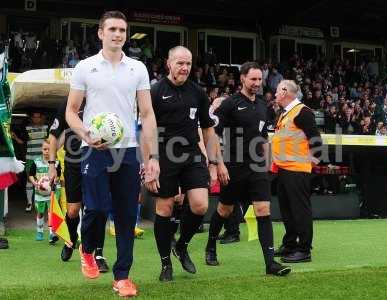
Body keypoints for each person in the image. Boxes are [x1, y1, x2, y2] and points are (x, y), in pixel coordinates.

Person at [65, 11, 159, 298]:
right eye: (113, 29)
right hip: (94, 150)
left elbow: (146, 113)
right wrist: (87, 135)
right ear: (100, 33)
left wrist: (152, 156)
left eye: (122, 30)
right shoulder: (85, 67)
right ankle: (88, 248)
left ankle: (122, 277)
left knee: (127, 214)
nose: (118, 34)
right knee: (95, 208)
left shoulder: (138, 69)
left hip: (127, 150)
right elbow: (71, 111)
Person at [204, 61, 291, 277]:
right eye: (252, 79)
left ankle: (270, 263)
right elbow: (214, 134)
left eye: (259, 79)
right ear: (242, 78)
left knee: (263, 210)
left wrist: (269, 161)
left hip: (257, 167)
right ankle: (211, 246)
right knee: (225, 209)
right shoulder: (230, 104)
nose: (257, 83)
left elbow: (263, 137)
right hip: (233, 166)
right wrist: (218, 164)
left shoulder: (263, 105)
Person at [150, 46, 219, 282]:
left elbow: (208, 129)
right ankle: (165, 264)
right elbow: (147, 130)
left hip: (191, 154)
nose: (185, 68)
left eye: (188, 63)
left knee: (200, 205)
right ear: (169, 63)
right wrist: (150, 161)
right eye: (180, 63)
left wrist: (213, 162)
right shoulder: (155, 91)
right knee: (165, 209)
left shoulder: (198, 92)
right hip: (164, 156)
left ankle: (181, 245)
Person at [48, 99, 109, 272]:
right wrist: (52, 165)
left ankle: (98, 254)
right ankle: (71, 238)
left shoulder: (100, 98)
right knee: (73, 210)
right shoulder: (67, 104)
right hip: (73, 162)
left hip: (96, 159)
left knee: (96, 208)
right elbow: (54, 137)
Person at [272, 80, 322, 263]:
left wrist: (309, 166)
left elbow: (316, 141)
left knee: (300, 210)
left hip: (297, 170)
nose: (275, 94)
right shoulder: (286, 113)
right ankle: (291, 244)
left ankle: (304, 250)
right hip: (285, 169)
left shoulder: (302, 111)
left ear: (285, 91)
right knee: (287, 210)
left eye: (277, 91)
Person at [27, 139, 60, 243]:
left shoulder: (56, 162)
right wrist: (35, 183)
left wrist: (52, 182)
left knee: (51, 212)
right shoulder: (36, 162)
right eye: (45, 149)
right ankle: (40, 231)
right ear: (41, 150)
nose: (47, 151)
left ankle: (52, 233)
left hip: (53, 192)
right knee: (40, 212)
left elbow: (58, 175)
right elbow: (31, 175)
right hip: (39, 193)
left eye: (49, 149)